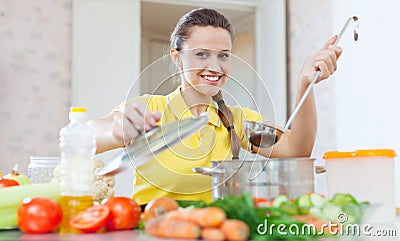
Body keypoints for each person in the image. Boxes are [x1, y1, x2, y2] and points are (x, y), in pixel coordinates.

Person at [89, 8, 342, 205]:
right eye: (201, 54)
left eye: (223, 55)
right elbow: (88, 135)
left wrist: (304, 84)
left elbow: (295, 150)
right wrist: (115, 132)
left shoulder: (237, 121)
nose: (215, 67)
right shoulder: (149, 109)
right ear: (177, 57)